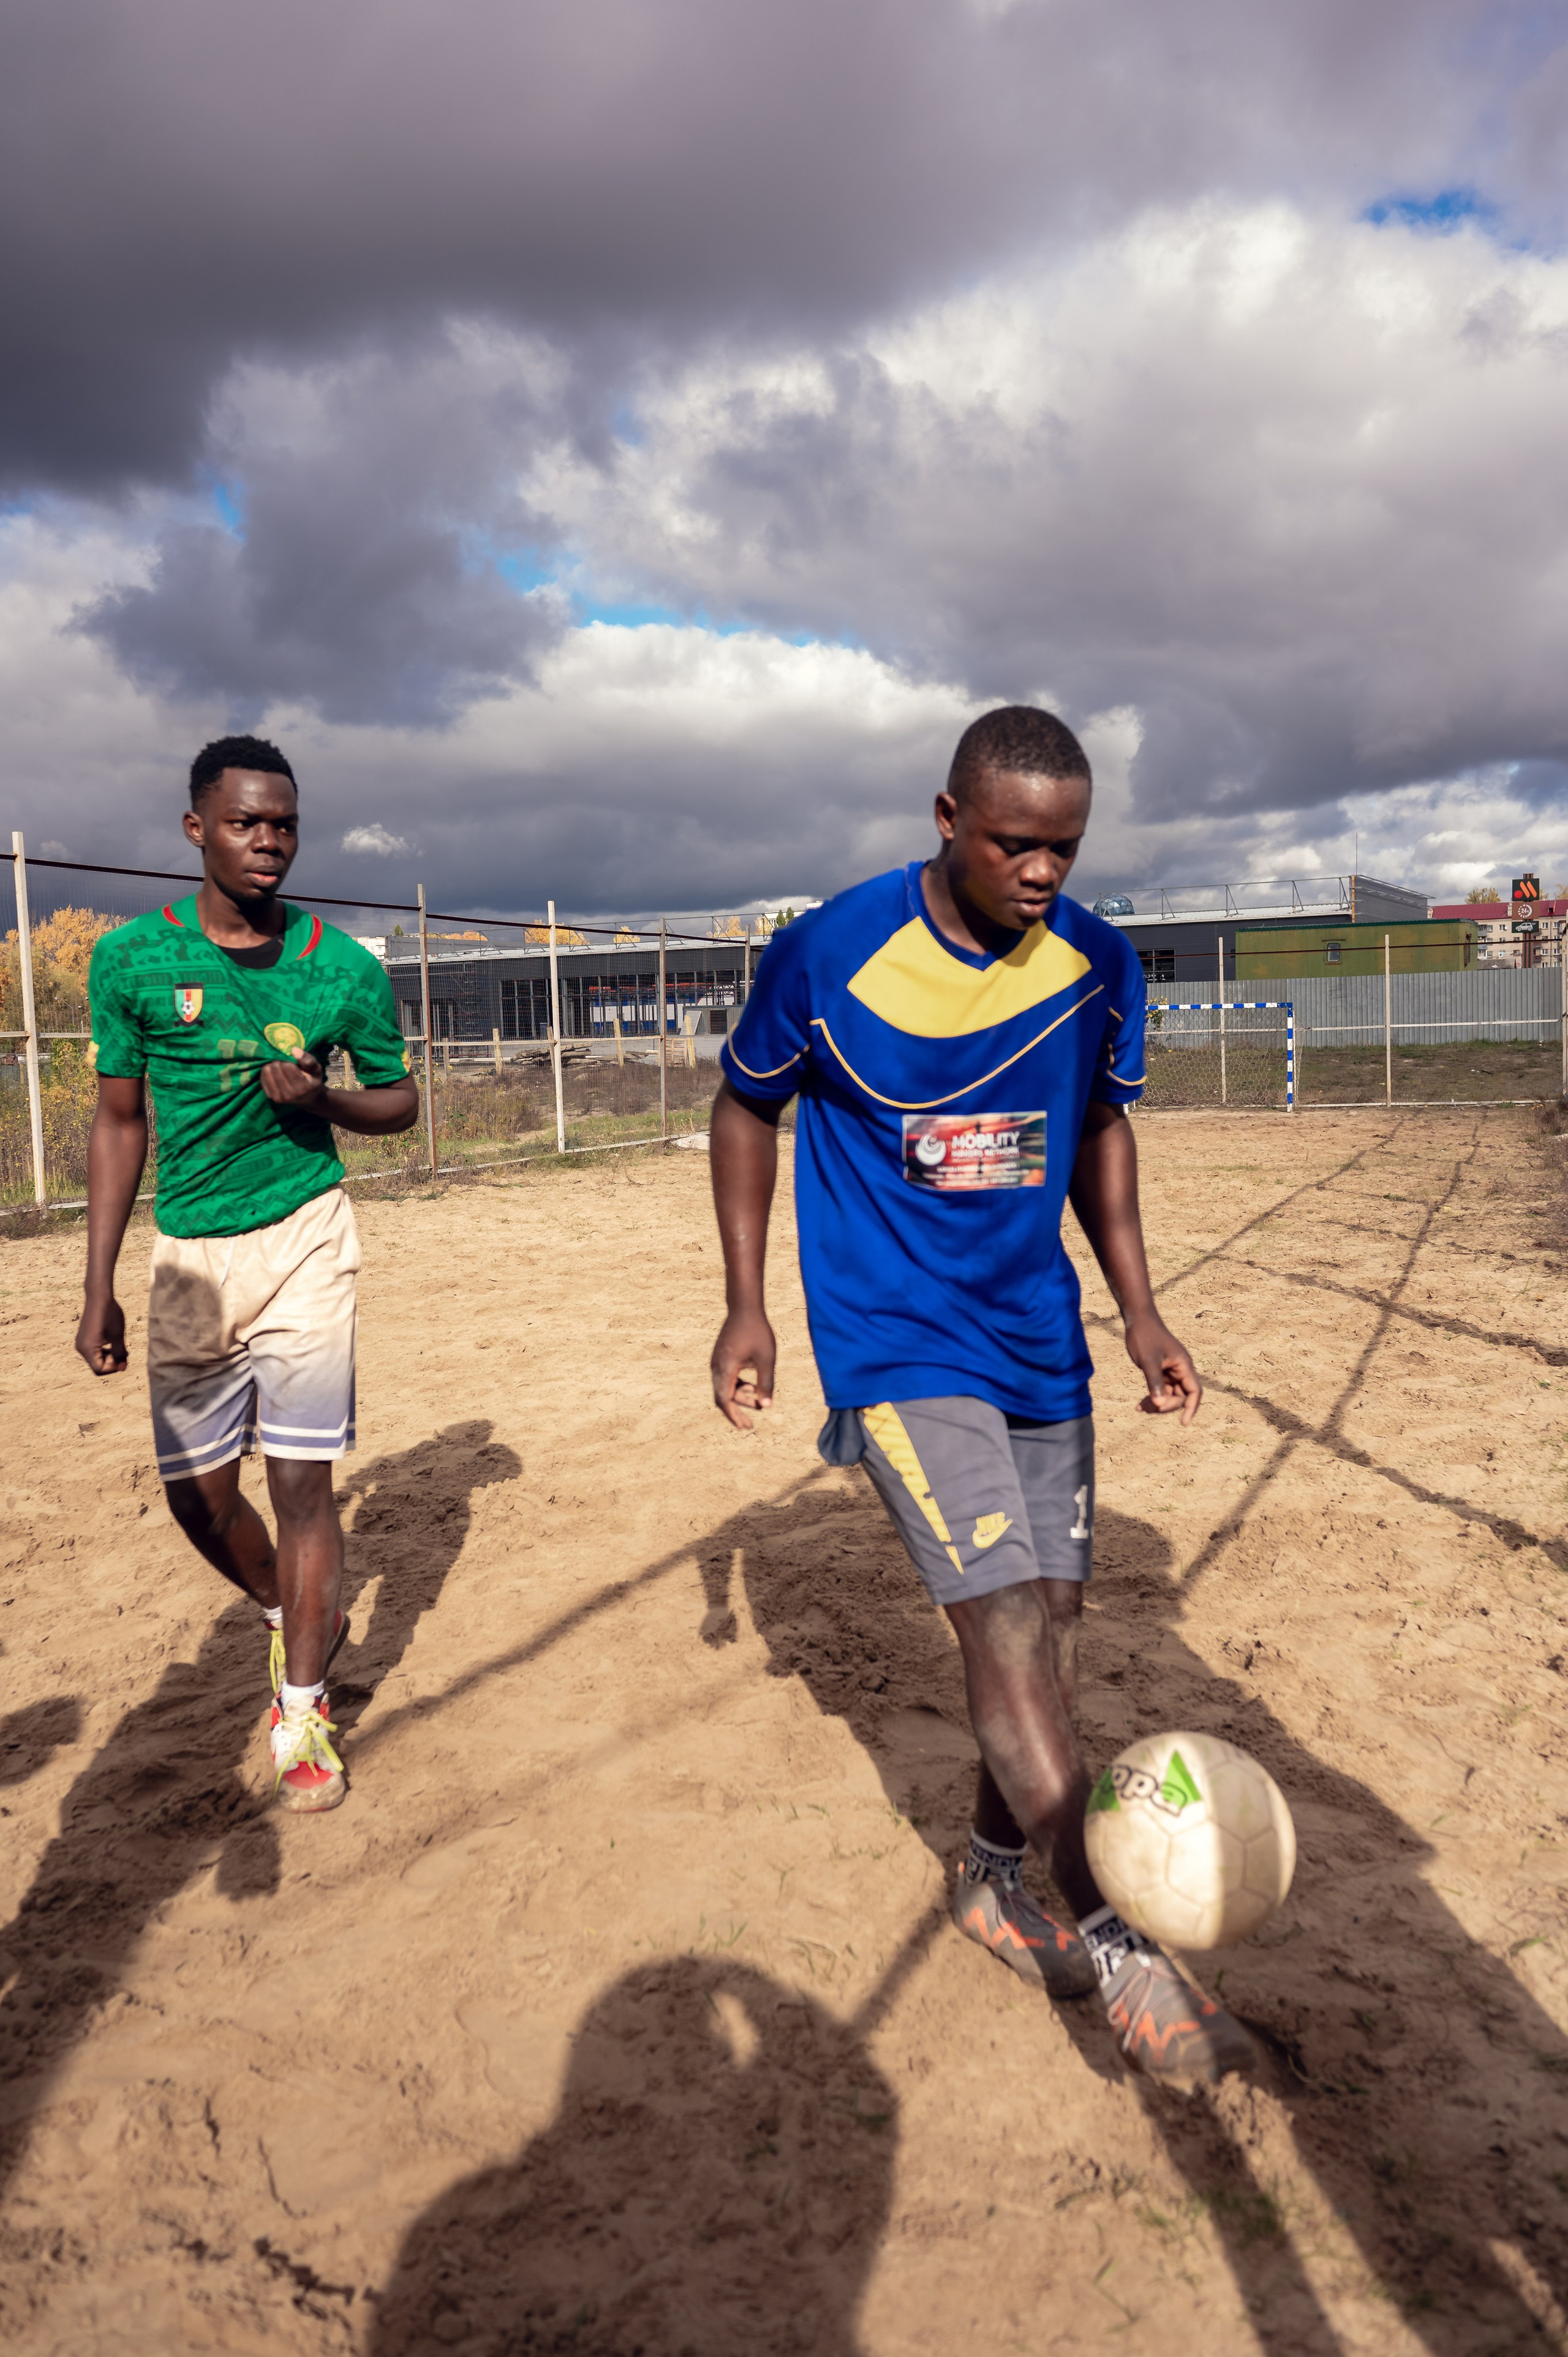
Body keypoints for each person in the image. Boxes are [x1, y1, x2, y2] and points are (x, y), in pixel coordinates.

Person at [708, 706, 1254, 2083]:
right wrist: (745, 1302)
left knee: (1048, 1633)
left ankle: (993, 1874)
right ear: (946, 820)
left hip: (1038, 1340)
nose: (1039, 872)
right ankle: (1123, 1949)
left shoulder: (1096, 964)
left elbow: (1096, 1131)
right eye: (1013, 842)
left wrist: (1138, 1312)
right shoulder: (828, 952)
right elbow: (741, 1107)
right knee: (1002, 1617)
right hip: (893, 1338)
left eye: (1062, 847)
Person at [74, 736, 420, 1812]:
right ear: (197, 830)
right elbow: (119, 1122)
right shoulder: (132, 961)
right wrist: (99, 1284)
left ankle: (303, 1702)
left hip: (306, 1237)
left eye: (284, 824)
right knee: (199, 1498)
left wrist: (322, 1101)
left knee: (303, 1483)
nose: (269, 842)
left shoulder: (342, 967)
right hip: (190, 1258)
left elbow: (399, 1105)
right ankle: (288, 1609)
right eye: (244, 823)